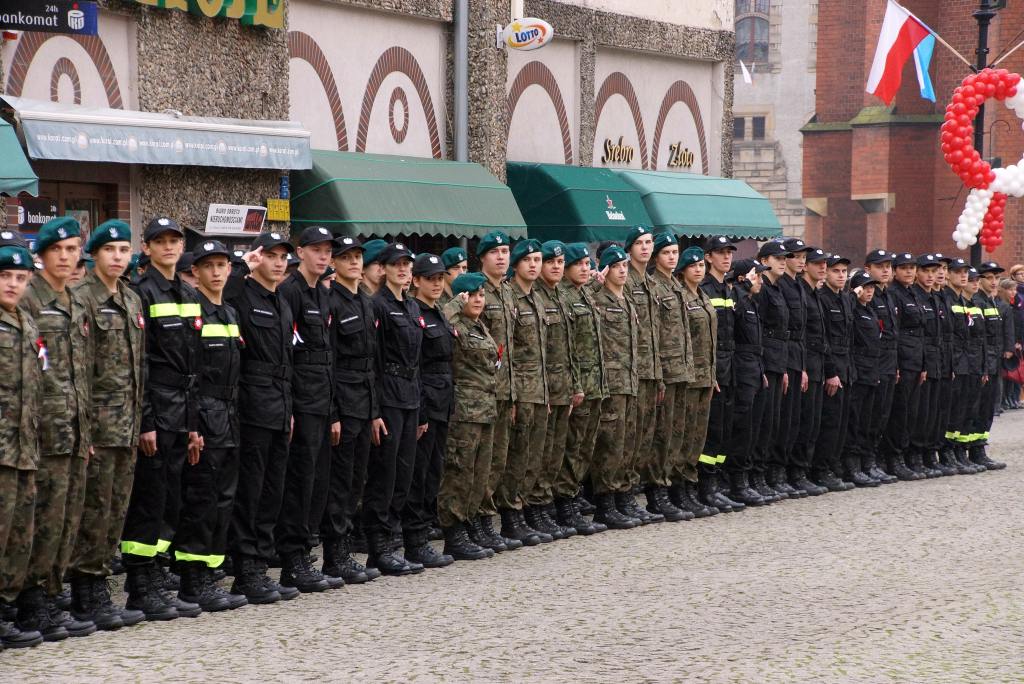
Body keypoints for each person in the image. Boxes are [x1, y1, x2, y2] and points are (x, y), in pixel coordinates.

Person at [16, 217, 97, 640]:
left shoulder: (77, 301)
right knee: (41, 519)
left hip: (75, 429)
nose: (66, 257)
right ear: (42, 254)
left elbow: (82, 371)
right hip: (43, 430)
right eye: (58, 250)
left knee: (67, 518)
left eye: (72, 250)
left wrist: (88, 428)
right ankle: (30, 603)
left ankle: (51, 596)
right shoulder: (29, 297)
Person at [68, 220, 146, 631]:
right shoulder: (80, 299)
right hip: (97, 426)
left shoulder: (132, 300)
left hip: (127, 425)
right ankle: (84, 591)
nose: (118, 257)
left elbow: (138, 369)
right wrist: (84, 429)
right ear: (94, 255)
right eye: (110, 250)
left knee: (115, 510)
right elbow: (75, 370)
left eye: (123, 250)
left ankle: (98, 584)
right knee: (92, 510)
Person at [226, 231, 300, 603]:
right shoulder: (241, 293)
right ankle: (246, 570)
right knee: (251, 491)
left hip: (279, 404)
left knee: (272, 491)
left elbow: (286, 359)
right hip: (253, 405)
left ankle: (261, 563)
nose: (278, 262)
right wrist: (242, 264)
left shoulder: (281, 302)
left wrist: (288, 409)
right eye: (271, 255)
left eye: (283, 256)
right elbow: (219, 298)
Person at [175, 240, 248, 611]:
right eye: (210, 266)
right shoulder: (192, 313)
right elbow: (188, 375)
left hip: (229, 415)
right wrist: (192, 426)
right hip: (204, 415)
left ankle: (211, 573)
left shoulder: (230, 314)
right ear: (197, 273)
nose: (218, 272)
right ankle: (192, 580)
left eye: (223, 265)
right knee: (202, 499)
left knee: (223, 500)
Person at [276, 226, 339, 593]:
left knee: (317, 483)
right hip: (300, 401)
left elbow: (327, 356)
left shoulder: (322, 294)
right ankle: (292, 560)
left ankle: (305, 551)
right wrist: (293, 406)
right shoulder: (291, 292)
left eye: (326, 251)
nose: (323, 257)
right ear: (300, 253)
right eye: (316, 250)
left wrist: (332, 410)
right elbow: (289, 354)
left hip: (322, 401)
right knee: (299, 483)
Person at [363, 242, 428, 575]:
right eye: (396, 264)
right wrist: (374, 410)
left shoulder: (413, 307)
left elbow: (418, 362)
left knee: (404, 474)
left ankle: (393, 539)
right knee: (385, 475)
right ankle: (379, 546)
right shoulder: (378, 306)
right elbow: (373, 362)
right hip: (388, 395)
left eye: (407, 264)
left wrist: (422, 410)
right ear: (383, 268)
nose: (403, 269)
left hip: (410, 397)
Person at [319, 236, 381, 584]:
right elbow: (330, 361)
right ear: (336, 264)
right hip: (342, 399)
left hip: (364, 400)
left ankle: (343, 551)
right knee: (340, 483)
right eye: (347, 257)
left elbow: (371, 361)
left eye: (358, 256)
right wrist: (334, 413)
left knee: (356, 478)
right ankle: (335, 554)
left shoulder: (365, 302)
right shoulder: (331, 302)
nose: (355, 262)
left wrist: (374, 409)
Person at [462, 231, 523, 550]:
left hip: (505, 388)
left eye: (505, 251)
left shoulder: (509, 292)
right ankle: (475, 521)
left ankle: (486, 520)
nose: (502, 257)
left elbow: (512, 347)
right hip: (480, 391)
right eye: (495, 252)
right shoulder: (474, 290)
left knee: (498, 459)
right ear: (481, 257)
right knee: (478, 462)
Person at [0, 244, 47, 649]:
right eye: (5, 276)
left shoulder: (27, 323)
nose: (13, 284)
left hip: (24, 447)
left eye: (20, 278)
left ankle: (5, 611)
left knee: (18, 534)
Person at [498, 239, 558, 541]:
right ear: (516, 265)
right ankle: (511, 515)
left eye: (537, 259)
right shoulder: (509, 297)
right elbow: (504, 351)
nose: (534, 265)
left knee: (535, 455)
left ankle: (528, 510)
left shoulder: (536, 298)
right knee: (517, 456)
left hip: (540, 389)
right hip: (519, 390)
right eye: (528, 260)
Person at [437, 272, 498, 561]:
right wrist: (452, 306)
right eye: (471, 295)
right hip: (463, 412)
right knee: (459, 473)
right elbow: (435, 329)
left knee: (479, 472)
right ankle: (453, 531)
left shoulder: (478, 326)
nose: (478, 299)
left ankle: (470, 524)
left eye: (481, 295)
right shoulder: (454, 324)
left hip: (484, 410)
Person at [403, 253, 456, 568]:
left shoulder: (438, 313)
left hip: (442, 403)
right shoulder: (415, 313)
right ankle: (414, 541)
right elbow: (416, 366)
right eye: (430, 278)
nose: (437, 283)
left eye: (440, 278)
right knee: (418, 475)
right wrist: (420, 412)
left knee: (433, 473)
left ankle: (422, 537)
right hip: (424, 403)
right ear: (416, 281)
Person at [551, 243, 608, 535]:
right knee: (571, 446)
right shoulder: (563, 296)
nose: (586, 268)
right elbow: (567, 347)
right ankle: (564, 501)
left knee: (586, 445)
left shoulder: (586, 293)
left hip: (596, 381)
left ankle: (574, 495)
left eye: (588, 263)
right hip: (578, 383)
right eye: (579, 264)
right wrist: (575, 385)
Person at [525, 241, 580, 536]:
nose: (556, 266)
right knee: (539, 452)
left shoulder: (562, 296)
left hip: (563, 386)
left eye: (560, 261)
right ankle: (534, 508)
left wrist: (574, 386)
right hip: (540, 388)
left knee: (556, 451)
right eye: (551, 262)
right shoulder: (536, 297)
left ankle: (546, 506)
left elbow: (570, 348)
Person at [589, 245, 641, 529]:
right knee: (609, 443)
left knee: (626, 441)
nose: (623, 270)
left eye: (625, 266)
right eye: (617, 266)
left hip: (629, 381)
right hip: (610, 382)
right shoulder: (598, 299)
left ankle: (622, 495)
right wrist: (592, 280)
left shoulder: (627, 301)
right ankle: (604, 503)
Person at [645, 231, 694, 522]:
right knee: (662, 435)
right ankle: (657, 492)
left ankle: (675, 486)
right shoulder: (654, 286)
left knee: (678, 432)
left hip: (682, 371)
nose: (672, 257)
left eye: (675, 252)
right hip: (664, 370)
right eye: (666, 253)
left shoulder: (676, 285)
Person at [669, 246, 718, 516]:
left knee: (696, 437)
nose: (699, 269)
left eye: (701, 265)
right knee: (681, 433)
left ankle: (689, 486)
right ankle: (677, 489)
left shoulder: (703, 296)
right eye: (694, 266)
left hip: (705, 375)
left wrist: (711, 374)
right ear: (683, 270)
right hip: (688, 376)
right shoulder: (681, 298)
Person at [621, 226, 663, 524]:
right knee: (628, 435)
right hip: (630, 371)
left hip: (651, 369)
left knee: (644, 437)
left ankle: (633, 492)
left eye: (649, 243)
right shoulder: (623, 281)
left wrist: (659, 374)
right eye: (639, 243)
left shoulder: (651, 283)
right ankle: (621, 496)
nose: (645, 248)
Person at [699, 235, 743, 511]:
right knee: (712, 430)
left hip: (731, 367)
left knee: (726, 429)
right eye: (720, 252)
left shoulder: (726, 289)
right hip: (715, 368)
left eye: (729, 252)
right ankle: (705, 487)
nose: (726, 257)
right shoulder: (705, 288)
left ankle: (717, 484)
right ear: (708, 257)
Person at [725, 259, 770, 506]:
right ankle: (735, 482)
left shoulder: (752, 302)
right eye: (757, 277)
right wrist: (742, 288)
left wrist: (761, 369)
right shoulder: (738, 299)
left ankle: (745, 478)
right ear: (743, 279)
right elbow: (734, 318)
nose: (760, 282)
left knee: (752, 427)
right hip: (741, 369)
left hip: (754, 367)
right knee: (740, 427)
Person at [812, 255, 856, 492]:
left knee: (841, 422)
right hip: (833, 368)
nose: (841, 275)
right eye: (836, 271)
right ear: (826, 273)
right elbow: (824, 339)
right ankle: (821, 468)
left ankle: (833, 464)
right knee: (829, 422)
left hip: (847, 366)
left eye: (844, 271)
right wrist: (831, 371)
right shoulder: (823, 299)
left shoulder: (845, 299)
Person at [882, 253, 928, 480]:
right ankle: (894, 457)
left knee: (911, 411)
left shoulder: (914, 293)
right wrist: (898, 363)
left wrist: (923, 363)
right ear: (895, 271)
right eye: (904, 268)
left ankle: (905, 453)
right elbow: (895, 332)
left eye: (912, 268)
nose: (909, 272)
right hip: (902, 359)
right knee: (899, 412)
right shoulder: (894, 293)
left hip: (916, 359)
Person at [751, 240, 791, 501]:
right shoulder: (762, 290)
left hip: (779, 361)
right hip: (765, 361)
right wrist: (762, 365)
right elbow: (759, 330)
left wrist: (783, 367)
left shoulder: (778, 289)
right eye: (777, 258)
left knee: (773, 423)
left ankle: (763, 475)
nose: (783, 261)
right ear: (764, 262)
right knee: (761, 422)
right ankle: (754, 477)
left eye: (784, 258)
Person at [788, 247, 828, 496]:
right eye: (816, 263)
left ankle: (802, 471)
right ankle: (795, 472)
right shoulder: (797, 289)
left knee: (812, 421)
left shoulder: (810, 292)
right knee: (800, 421)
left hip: (815, 363)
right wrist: (802, 366)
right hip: (803, 363)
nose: (821, 267)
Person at [843, 271, 883, 486]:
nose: (869, 291)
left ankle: (864, 464)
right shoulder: (853, 310)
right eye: (865, 287)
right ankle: (851, 466)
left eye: (872, 287)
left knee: (867, 420)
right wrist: (851, 296)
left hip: (871, 371)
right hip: (858, 371)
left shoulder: (871, 310)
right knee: (854, 421)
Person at [863, 250, 900, 483]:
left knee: (883, 415)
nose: (885, 270)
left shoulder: (887, 295)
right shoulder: (868, 295)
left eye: (888, 266)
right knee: (870, 415)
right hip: (872, 363)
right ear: (868, 269)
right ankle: (866, 461)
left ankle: (873, 459)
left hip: (888, 363)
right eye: (880, 266)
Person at [968, 262, 1008, 470]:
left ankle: (980, 448)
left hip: (992, 363)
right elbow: (979, 338)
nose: (993, 282)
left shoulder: (993, 303)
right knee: (976, 408)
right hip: (981, 363)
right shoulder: (977, 302)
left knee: (987, 410)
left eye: (996, 278)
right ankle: (973, 450)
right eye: (989, 278)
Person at [910, 255, 945, 477]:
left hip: (935, 360)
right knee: (918, 411)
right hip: (917, 360)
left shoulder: (936, 298)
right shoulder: (916, 296)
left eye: (935, 271)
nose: (931, 276)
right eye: (926, 271)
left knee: (932, 411)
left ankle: (927, 453)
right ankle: (914, 455)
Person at [997, 277, 1022, 409]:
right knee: (1004, 374)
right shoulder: (1001, 305)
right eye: (1010, 289)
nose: (1013, 292)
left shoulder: (1014, 305)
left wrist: (1018, 341)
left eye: (1015, 290)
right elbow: (1006, 329)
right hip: (1004, 343)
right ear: (1003, 290)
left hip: (1014, 342)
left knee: (1013, 373)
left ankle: (1011, 397)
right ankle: (1002, 400)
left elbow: (1017, 326)